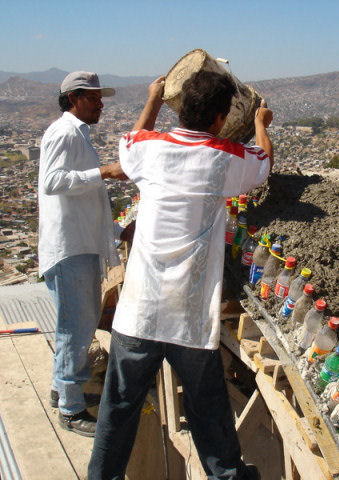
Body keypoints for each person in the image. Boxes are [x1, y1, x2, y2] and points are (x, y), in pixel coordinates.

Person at [88, 70, 273, 480]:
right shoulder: (223, 157)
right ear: (220, 118)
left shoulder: (149, 149)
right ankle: (226, 475)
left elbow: (132, 145)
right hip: (188, 314)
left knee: (118, 408)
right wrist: (260, 124)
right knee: (208, 409)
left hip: (139, 308)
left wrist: (152, 99)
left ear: (181, 108)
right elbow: (263, 163)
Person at [38, 71, 130, 436]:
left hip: (81, 244)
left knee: (76, 327)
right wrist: (104, 171)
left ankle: (62, 390)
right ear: (74, 98)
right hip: (70, 249)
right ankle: (71, 410)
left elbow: (87, 204)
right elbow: (53, 182)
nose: (100, 103)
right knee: (74, 330)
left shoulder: (77, 135)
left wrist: (119, 231)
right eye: (93, 97)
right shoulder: (63, 133)